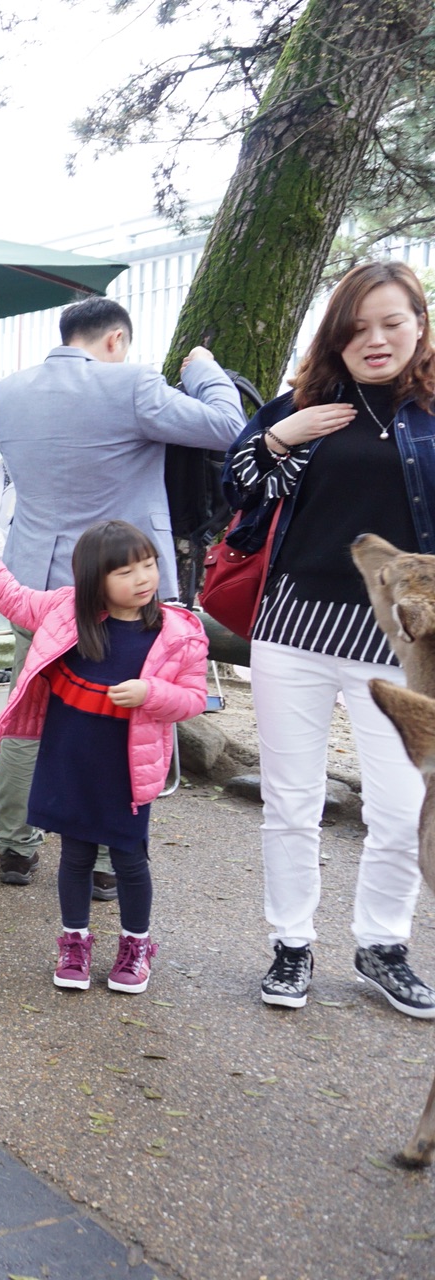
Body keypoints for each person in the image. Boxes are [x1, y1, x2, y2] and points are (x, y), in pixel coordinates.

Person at [222, 260, 435, 1017]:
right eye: (357, 328)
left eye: (391, 323)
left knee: (404, 803)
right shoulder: (310, 405)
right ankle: (291, 944)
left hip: (399, 646)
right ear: (336, 337)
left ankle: (382, 944)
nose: (375, 341)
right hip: (294, 632)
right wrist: (281, 435)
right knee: (291, 799)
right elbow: (236, 485)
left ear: (419, 322)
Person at [0, 297, 245, 890]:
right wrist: (203, 367)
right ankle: (105, 863)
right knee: (116, 720)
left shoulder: (8, 392)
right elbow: (229, 428)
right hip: (120, 589)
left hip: (34, 577)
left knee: (32, 710)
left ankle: (16, 847)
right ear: (114, 341)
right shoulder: (130, 384)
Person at [0, 522, 208, 994]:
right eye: (125, 570)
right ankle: (74, 942)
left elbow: (194, 699)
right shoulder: (64, 611)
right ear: (94, 578)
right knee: (73, 853)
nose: (142, 578)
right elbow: (14, 599)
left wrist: (152, 692)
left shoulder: (177, 633)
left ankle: (136, 946)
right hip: (70, 755)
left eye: (149, 565)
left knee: (129, 858)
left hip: (127, 767)